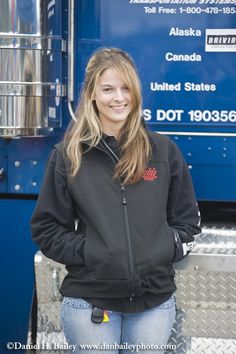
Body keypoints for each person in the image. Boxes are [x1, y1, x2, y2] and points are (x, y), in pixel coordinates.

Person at [31, 47, 201, 354]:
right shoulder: (68, 156)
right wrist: (92, 252)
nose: (118, 98)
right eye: (108, 89)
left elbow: (188, 221)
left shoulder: (163, 152)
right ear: (92, 94)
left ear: (135, 93)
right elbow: (46, 228)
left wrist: (164, 247)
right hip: (89, 304)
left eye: (126, 88)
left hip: (154, 303)